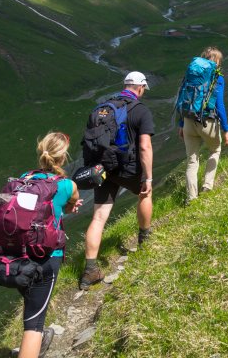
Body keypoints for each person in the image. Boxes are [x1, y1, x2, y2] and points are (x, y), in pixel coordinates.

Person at [80, 71, 155, 289]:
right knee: (145, 194)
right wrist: (148, 178)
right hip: (128, 168)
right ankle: (145, 240)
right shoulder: (140, 110)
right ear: (140, 87)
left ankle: (90, 271)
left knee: (99, 216)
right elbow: (144, 146)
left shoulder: (102, 108)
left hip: (103, 168)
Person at [16, 132, 81, 358]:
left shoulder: (25, 178)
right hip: (46, 256)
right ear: (63, 157)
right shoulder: (67, 185)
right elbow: (69, 207)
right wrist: (70, 207)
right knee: (34, 325)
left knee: (32, 309)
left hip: (18, 254)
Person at [179, 47, 228, 202]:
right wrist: (226, 130)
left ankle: (191, 199)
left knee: (191, 161)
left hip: (188, 121)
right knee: (215, 150)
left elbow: (183, 99)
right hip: (207, 121)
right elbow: (219, 105)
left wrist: (181, 124)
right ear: (217, 61)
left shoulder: (191, 75)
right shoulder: (217, 77)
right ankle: (207, 186)